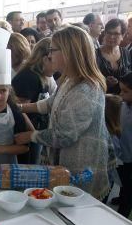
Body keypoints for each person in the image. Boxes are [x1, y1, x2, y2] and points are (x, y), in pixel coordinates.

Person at [15, 25, 110, 200]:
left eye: (53, 50)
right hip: (66, 164)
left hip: (82, 168)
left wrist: (31, 136)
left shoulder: (86, 91)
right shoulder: (69, 80)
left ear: (69, 53)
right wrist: (21, 108)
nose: (49, 55)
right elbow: (51, 103)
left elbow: (64, 136)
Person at [12, 38, 56, 163]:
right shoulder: (29, 77)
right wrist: (34, 134)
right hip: (26, 133)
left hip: (35, 132)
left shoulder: (41, 76)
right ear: (45, 58)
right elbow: (20, 109)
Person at [96, 18, 131, 94]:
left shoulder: (126, 53)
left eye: (116, 34)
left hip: (122, 100)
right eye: (109, 33)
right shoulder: (94, 54)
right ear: (104, 33)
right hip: (100, 97)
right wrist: (104, 81)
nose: (111, 37)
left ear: (123, 35)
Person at [117, 73, 132, 217]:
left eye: (125, 91)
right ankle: (121, 197)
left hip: (130, 155)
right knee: (122, 179)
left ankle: (123, 213)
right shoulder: (124, 105)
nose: (121, 94)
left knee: (129, 187)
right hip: (122, 153)